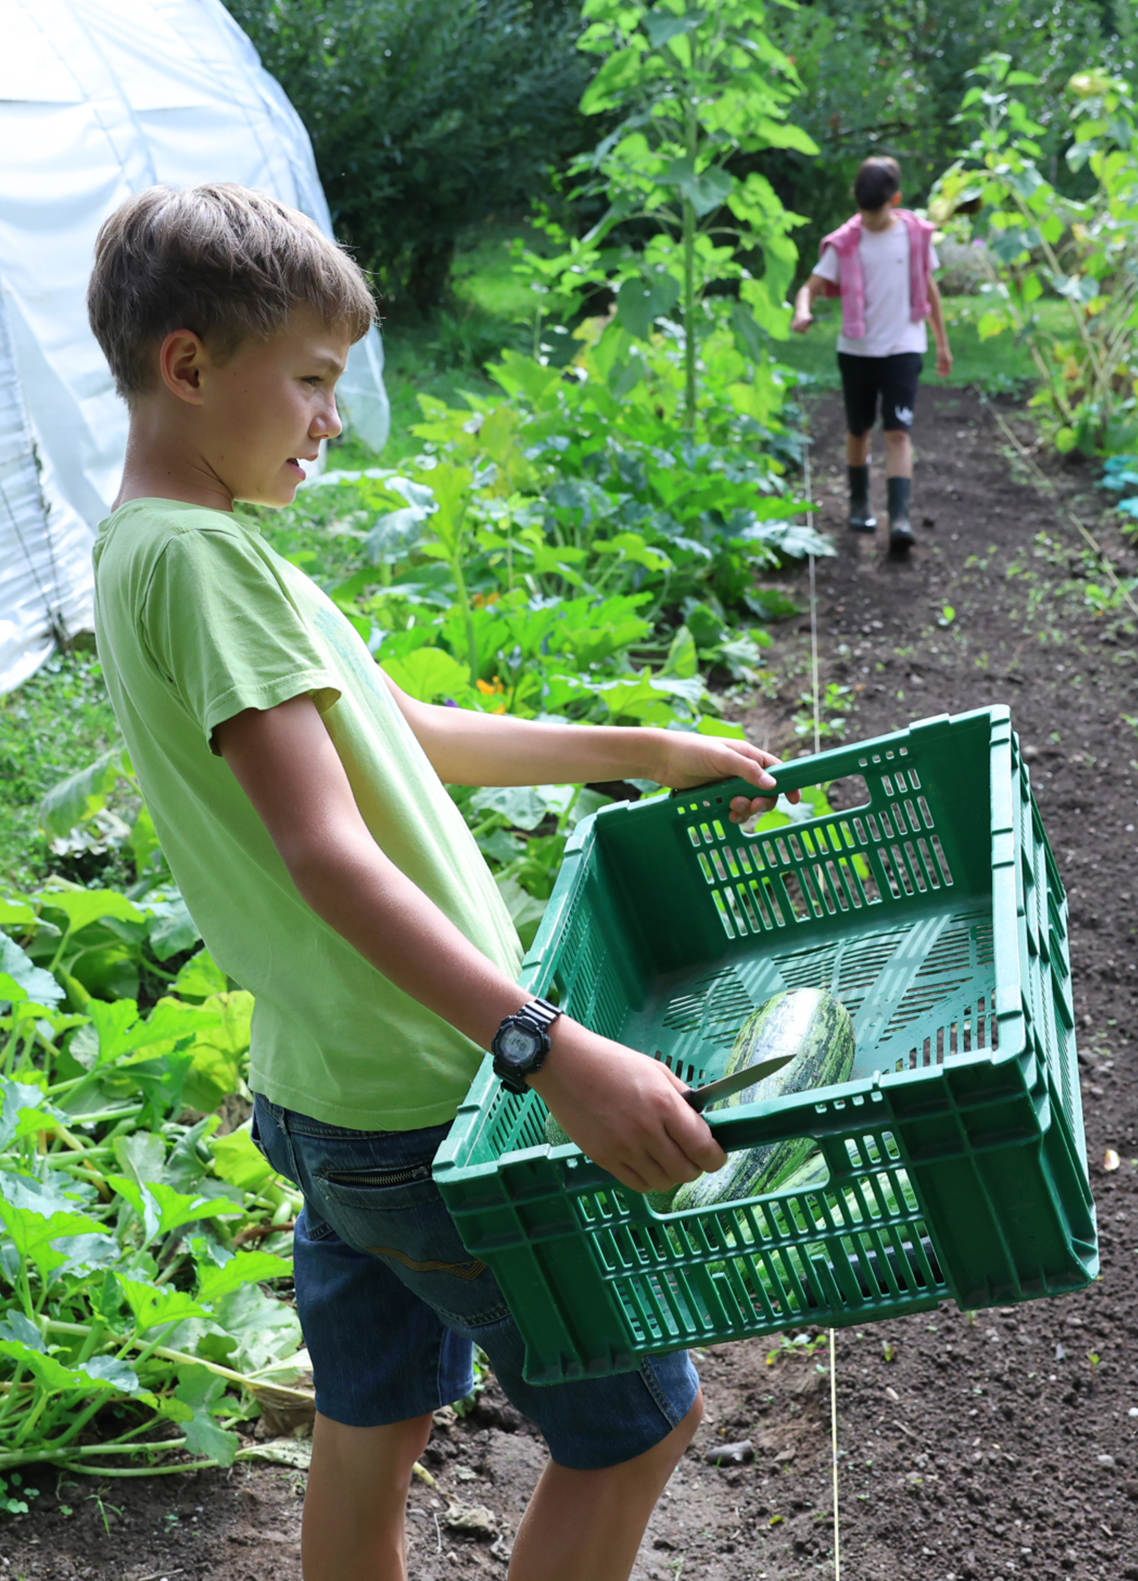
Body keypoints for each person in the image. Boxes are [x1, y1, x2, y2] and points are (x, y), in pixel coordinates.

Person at [85, 182, 796, 1581]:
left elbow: (398, 727)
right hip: (426, 1108)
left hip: (328, 1097)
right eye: (309, 381)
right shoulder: (205, 564)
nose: (328, 420)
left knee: (377, 1420)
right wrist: (546, 1050)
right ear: (189, 365)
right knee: (637, 1424)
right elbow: (328, 854)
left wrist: (641, 749)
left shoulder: (181, 550)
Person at [790, 154, 954, 553]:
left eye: (876, 212)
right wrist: (803, 311)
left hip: (904, 346)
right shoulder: (846, 242)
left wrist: (942, 343)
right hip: (858, 351)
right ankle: (860, 504)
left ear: (894, 199)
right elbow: (809, 287)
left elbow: (928, 287)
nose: (870, 220)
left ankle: (899, 518)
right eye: (863, 211)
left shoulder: (914, 236)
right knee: (858, 430)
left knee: (898, 432)